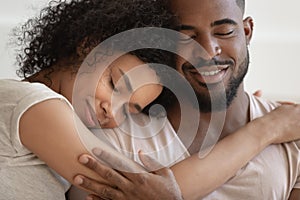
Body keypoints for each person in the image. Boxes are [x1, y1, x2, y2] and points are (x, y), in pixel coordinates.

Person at [2, 0, 299, 200]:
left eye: (131, 108)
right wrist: (266, 129)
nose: (112, 113)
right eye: (115, 82)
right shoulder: (33, 102)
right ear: (90, 46)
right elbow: (144, 188)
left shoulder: (53, 114)